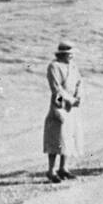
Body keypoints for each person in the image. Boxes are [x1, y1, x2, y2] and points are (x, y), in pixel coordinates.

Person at [44, 40, 83, 183]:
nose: (71, 56)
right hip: (59, 103)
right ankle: (51, 170)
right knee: (56, 137)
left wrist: (78, 97)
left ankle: (63, 168)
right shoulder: (54, 66)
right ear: (62, 54)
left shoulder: (73, 66)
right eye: (68, 54)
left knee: (69, 136)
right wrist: (70, 100)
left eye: (72, 54)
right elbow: (56, 88)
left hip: (71, 105)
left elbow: (79, 82)